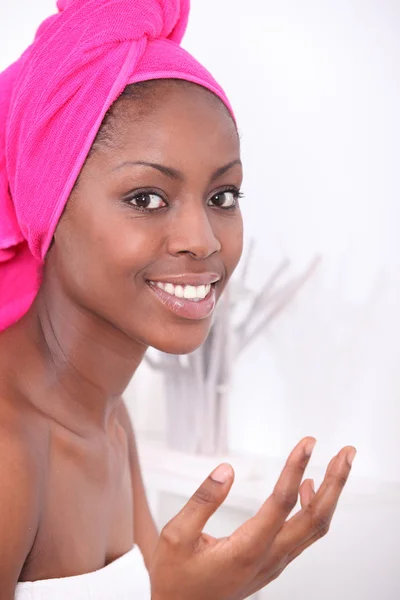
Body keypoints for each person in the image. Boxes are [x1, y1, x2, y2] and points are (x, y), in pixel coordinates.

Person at [0, 1, 356, 598]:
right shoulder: (8, 453)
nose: (202, 240)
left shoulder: (108, 418)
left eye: (223, 195)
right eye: (146, 198)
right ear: (49, 207)